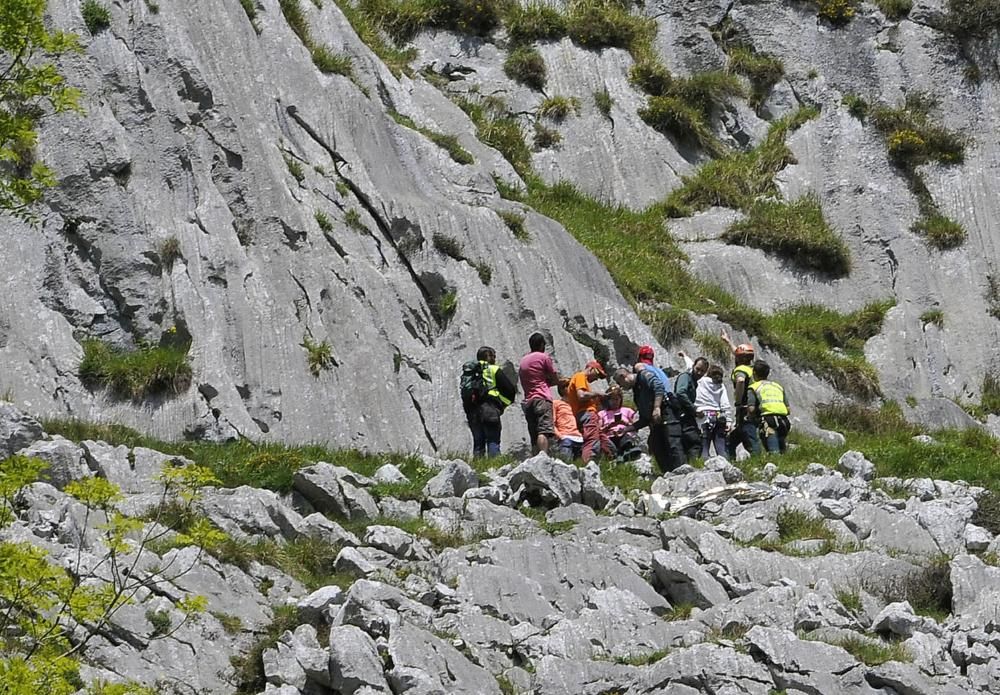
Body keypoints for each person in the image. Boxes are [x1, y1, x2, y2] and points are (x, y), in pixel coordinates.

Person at [614, 366, 685, 474]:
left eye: (620, 383)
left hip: (666, 413)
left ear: (623, 376)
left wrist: (657, 407)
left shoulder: (644, 375)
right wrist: (626, 429)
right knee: (657, 446)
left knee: (673, 443)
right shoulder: (637, 392)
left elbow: (658, 386)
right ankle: (669, 475)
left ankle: (683, 473)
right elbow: (645, 419)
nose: (621, 387)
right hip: (655, 422)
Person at [465, 346, 516, 457]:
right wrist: (503, 404)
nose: (495, 359)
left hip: (473, 412)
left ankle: (478, 470)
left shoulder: (471, 372)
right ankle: (494, 468)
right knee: (493, 441)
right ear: (487, 356)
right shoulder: (493, 369)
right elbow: (510, 390)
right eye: (493, 356)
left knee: (478, 444)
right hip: (490, 409)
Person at [518, 333, 564, 454]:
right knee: (543, 431)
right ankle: (543, 457)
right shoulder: (543, 357)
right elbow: (554, 378)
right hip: (542, 399)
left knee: (534, 435)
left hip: (528, 401)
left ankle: (535, 459)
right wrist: (560, 382)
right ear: (541, 344)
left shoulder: (523, 361)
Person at [720, 331, 761, 458]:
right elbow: (740, 354)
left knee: (749, 436)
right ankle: (730, 461)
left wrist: (738, 399)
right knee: (731, 440)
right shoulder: (753, 369)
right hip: (755, 408)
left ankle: (758, 460)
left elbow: (740, 380)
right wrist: (728, 341)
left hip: (744, 409)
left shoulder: (740, 370)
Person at [566, 360, 614, 462]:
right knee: (592, 442)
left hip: (582, 415)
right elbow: (581, 395)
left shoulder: (581, 380)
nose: (596, 379)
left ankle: (613, 459)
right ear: (591, 368)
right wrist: (597, 393)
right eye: (597, 375)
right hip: (587, 414)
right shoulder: (580, 376)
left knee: (604, 441)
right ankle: (588, 465)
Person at [749, 360, 791, 454]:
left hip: (768, 421)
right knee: (782, 449)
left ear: (754, 373)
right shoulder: (778, 386)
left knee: (773, 451)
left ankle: (774, 465)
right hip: (784, 421)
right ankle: (786, 465)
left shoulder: (754, 387)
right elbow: (788, 409)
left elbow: (751, 409)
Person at [673, 356, 709, 462]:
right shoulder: (685, 377)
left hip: (686, 415)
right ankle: (693, 465)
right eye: (698, 369)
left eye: (702, 371)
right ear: (693, 366)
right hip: (681, 415)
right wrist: (694, 409)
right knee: (694, 441)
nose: (699, 373)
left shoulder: (694, 381)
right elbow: (680, 392)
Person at [695, 364, 732, 460]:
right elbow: (725, 404)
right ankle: (727, 467)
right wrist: (728, 420)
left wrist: (685, 356)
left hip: (703, 416)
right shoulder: (721, 385)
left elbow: (690, 367)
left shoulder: (701, 381)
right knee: (721, 447)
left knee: (704, 447)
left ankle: (703, 470)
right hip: (718, 415)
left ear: (708, 372)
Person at [598, 386, 640, 460]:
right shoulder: (602, 413)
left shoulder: (628, 411)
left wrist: (625, 423)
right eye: (612, 399)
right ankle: (615, 454)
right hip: (610, 436)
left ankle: (627, 450)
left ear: (620, 400)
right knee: (606, 442)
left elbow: (636, 427)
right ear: (608, 400)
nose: (614, 402)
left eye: (617, 399)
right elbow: (599, 431)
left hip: (624, 433)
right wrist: (609, 426)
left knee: (625, 437)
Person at [553, 384, 584, 460]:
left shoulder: (575, 405)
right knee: (565, 465)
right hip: (566, 438)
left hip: (580, 439)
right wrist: (561, 437)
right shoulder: (556, 403)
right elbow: (551, 422)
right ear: (562, 389)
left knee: (580, 468)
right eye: (570, 386)